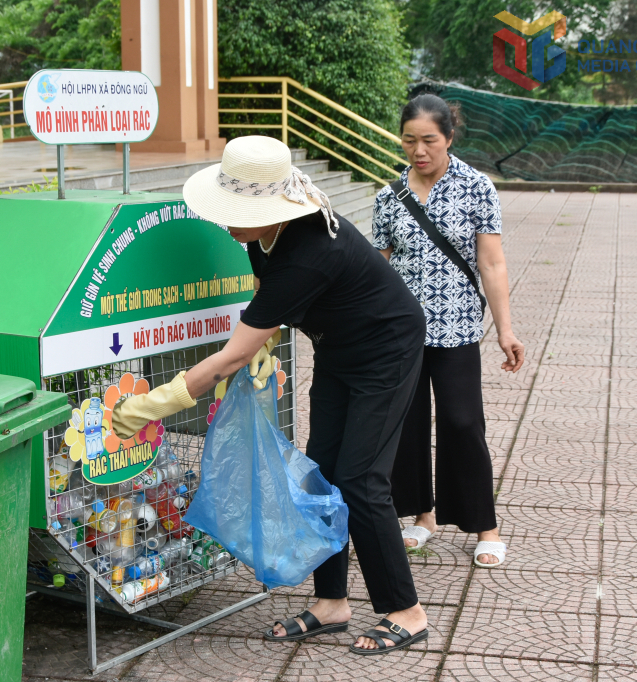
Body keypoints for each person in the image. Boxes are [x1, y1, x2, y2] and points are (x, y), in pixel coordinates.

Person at [112, 135, 430, 654]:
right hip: (338, 349)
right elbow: (268, 297)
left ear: (271, 206)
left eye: (236, 211)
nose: (227, 221)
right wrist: (268, 332)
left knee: (361, 480)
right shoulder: (262, 236)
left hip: (386, 350)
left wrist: (150, 406)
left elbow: (233, 355)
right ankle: (332, 604)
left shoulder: (308, 252)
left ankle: (406, 610)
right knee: (320, 475)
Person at [371, 94, 525, 568]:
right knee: (408, 427)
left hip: (457, 328)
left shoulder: (476, 187)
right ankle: (423, 516)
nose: (419, 151)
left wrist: (505, 330)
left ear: (449, 137)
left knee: (462, 423)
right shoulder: (388, 197)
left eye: (429, 141)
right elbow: (377, 268)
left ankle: (486, 526)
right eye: (410, 141)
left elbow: (492, 263)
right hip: (401, 335)